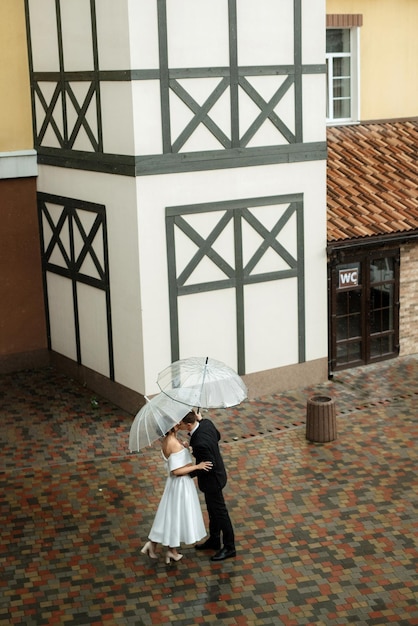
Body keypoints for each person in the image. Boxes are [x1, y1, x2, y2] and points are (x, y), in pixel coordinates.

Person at [141, 424, 213, 564]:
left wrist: (185, 449)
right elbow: (176, 471)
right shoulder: (172, 442)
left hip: (175, 485)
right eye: (173, 423)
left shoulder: (170, 440)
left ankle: (161, 547)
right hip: (180, 485)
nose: (177, 423)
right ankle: (169, 550)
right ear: (169, 428)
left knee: (171, 515)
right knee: (176, 516)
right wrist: (197, 466)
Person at [179, 411, 236, 561]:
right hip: (219, 475)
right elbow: (217, 436)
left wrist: (188, 473)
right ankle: (215, 540)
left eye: (181, 424)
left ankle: (230, 547)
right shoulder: (206, 423)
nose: (179, 425)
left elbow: (208, 465)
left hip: (212, 482)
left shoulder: (199, 442)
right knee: (212, 511)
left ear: (189, 425)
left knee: (220, 513)